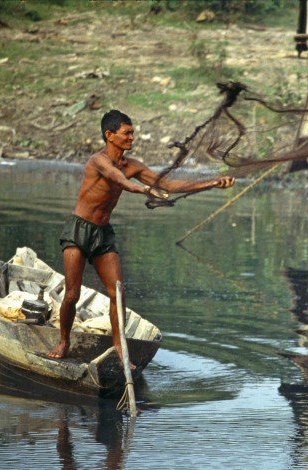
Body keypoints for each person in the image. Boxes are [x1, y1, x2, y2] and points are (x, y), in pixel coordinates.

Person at [47, 109, 234, 366]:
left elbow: (167, 184)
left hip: (102, 234)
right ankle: (64, 341)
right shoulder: (98, 161)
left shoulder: (132, 165)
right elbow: (118, 179)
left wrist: (211, 183)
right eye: (127, 133)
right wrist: (144, 189)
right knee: (72, 295)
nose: (132, 137)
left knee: (118, 292)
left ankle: (119, 347)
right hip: (79, 229)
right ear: (109, 135)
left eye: (133, 132)